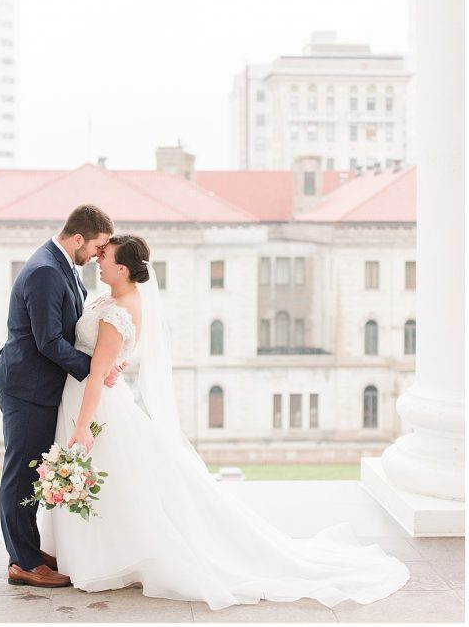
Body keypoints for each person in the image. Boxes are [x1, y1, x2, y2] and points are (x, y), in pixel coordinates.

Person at [40, 234, 409, 609]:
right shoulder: (110, 299)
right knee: (119, 481)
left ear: (123, 268)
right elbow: (112, 359)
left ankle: (111, 558)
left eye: (106, 257)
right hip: (92, 394)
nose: (98, 261)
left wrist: (83, 425)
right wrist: (115, 366)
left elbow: (98, 371)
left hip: (96, 403)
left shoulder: (120, 309)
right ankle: (102, 554)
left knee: (113, 478)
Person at [0, 204, 124, 588]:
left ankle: (27, 549)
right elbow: (49, 341)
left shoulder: (60, 263)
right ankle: (24, 562)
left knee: (31, 470)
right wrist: (94, 371)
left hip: (38, 385)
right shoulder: (47, 271)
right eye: (96, 248)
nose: (98, 255)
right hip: (26, 388)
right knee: (20, 474)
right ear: (78, 238)